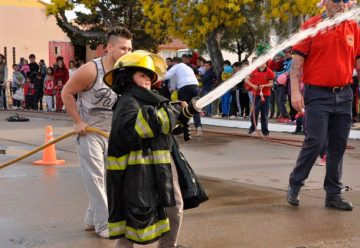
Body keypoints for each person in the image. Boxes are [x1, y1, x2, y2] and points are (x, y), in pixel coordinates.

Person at [103, 50, 186, 248]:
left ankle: (168, 245)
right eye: (142, 74)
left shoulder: (149, 100)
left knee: (174, 208)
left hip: (158, 168)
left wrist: (183, 114)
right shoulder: (126, 102)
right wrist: (171, 113)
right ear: (127, 77)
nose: (148, 80)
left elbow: (166, 127)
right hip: (135, 174)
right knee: (129, 218)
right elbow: (143, 127)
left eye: (150, 76)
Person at [287, 0, 360, 211]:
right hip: (317, 94)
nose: (341, 4)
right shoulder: (311, 26)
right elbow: (297, 64)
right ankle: (296, 183)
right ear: (326, 1)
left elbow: (357, 62)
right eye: (337, 0)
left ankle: (333, 194)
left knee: (338, 145)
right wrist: (294, 92)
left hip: (344, 94)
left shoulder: (353, 27)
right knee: (316, 141)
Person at [61, 27, 133, 238]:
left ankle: (91, 219)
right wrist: (78, 121)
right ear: (109, 47)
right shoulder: (91, 70)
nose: (126, 53)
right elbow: (66, 92)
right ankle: (104, 224)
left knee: (111, 178)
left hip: (113, 134)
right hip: (90, 132)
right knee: (96, 178)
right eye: (122, 48)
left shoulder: (125, 72)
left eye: (129, 49)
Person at [164, 57, 203, 136]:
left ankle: (183, 129)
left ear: (175, 62)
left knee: (183, 108)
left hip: (184, 88)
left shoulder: (177, 66)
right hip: (195, 87)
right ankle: (199, 129)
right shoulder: (188, 68)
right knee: (195, 108)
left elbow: (166, 76)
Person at [246, 63, 275, 136]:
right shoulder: (254, 70)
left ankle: (265, 131)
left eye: (263, 62)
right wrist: (253, 86)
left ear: (265, 63)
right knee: (254, 112)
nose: (261, 64)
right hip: (256, 95)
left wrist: (264, 86)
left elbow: (271, 83)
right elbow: (246, 80)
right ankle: (252, 128)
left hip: (266, 95)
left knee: (264, 113)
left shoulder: (269, 72)